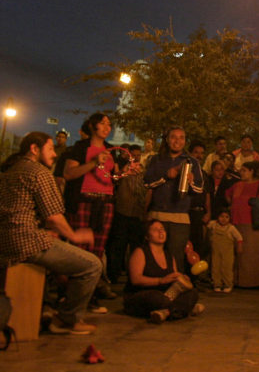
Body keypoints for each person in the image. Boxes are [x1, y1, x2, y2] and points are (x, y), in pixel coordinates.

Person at [0, 132, 102, 335]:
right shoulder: (39, 172)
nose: (55, 154)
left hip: (5, 241)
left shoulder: (9, 170)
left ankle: (46, 309)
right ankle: (67, 318)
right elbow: (54, 216)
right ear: (34, 149)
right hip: (26, 241)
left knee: (56, 253)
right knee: (92, 265)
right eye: (50, 148)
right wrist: (74, 236)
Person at [62, 113, 121, 309]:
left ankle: (90, 296)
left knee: (97, 250)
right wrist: (94, 162)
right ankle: (71, 297)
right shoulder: (80, 148)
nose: (107, 127)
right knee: (79, 251)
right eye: (103, 123)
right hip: (83, 201)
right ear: (92, 126)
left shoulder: (111, 150)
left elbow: (109, 177)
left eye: (109, 124)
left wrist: (124, 172)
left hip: (105, 203)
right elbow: (69, 174)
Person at [144, 126, 204, 272]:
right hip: (158, 215)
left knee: (176, 256)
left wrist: (191, 182)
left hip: (180, 218)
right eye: (173, 137)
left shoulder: (192, 162)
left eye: (181, 137)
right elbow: (147, 183)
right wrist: (166, 176)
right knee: (154, 255)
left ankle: (174, 289)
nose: (177, 141)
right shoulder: (156, 160)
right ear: (167, 140)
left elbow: (199, 189)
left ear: (185, 141)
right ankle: (153, 288)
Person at [124, 220, 203, 323]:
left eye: (162, 229)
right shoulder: (140, 252)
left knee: (193, 293)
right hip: (141, 295)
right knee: (157, 298)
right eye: (155, 230)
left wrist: (181, 278)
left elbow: (173, 280)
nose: (161, 232)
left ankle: (166, 312)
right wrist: (160, 280)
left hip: (165, 296)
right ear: (147, 236)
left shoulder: (169, 256)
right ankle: (183, 309)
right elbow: (135, 279)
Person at [106, 144, 148, 283]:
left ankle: (134, 275)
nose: (135, 157)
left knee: (136, 247)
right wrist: (123, 172)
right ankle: (113, 275)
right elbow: (113, 180)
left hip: (137, 214)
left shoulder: (144, 172)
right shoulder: (123, 168)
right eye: (133, 155)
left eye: (138, 155)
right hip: (122, 212)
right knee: (118, 246)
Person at [207, 210, 243, 293]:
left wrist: (240, 247)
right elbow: (207, 229)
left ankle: (228, 284)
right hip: (215, 252)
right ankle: (217, 284)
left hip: (227, 253)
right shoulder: (213, 224)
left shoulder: (231, 228)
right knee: (215, 267)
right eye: (222, 216)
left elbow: (239, 237)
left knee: (226, 268)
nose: (224, 219)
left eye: (226, 217)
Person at [188, 141, 211, 258]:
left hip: (199, 213)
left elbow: (206, 194)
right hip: (186, 212)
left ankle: (195, 275)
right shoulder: (185, 171)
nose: (199, 156)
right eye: (196, 153)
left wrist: (208, 212)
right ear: (190, 154)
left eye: (202, 153)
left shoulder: (204, 174)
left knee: (198, 245)